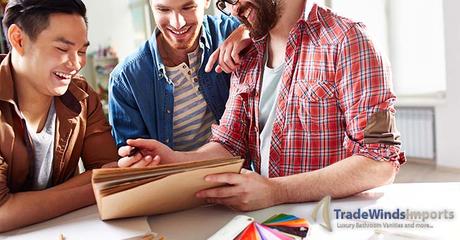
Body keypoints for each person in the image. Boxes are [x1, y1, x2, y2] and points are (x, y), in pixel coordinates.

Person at [118, 0, 405, 211]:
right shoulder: (248, 54)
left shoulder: (350, 42)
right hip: (271, 221)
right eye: (225, 2)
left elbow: (381, 162)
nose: (232, 10)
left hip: (328, 219)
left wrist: (276, 191)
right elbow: (229, 144)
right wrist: (174, 159)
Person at [0, 0, 118, 232]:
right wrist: (91, 187)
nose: (76, 64)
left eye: (82, 51)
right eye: (62, 49)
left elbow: (111, 173)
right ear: (18, 39)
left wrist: (22, 206)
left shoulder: (83, 96)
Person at [108, 0, 250, 157]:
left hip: (240, 174)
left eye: (188, 7)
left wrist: (248, 30)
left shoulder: (231, 31)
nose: (178, 23)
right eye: (163, 9)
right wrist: (136, 160)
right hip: (173, 179)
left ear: (207, 2)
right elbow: (133, 158)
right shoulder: (124, 80)